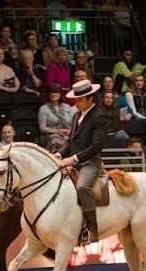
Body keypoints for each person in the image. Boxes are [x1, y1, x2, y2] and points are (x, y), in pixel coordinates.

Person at [56, 80, 110, 244]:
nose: (76, 103)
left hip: (90, 163)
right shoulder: (76, 116)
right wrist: (59, 154)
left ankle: (93, 230)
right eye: (76, 100)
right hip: (73, 161)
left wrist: (74, 158)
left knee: (82, 186)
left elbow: (97, 146)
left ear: (90, 99)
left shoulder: (99, 116)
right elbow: (70, 142)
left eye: (79, 100)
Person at [38, 83, 74, 153]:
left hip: (67, 133)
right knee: (55, 138)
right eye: (51, 92)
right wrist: (58, 131)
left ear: (60, 94)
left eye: (56, 92)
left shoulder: (67, 107)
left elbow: (73, 123)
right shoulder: (44, 108)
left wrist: (69, 131)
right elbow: (42, 128)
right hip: (50, 135)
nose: (53, 94)